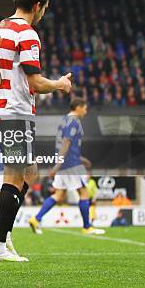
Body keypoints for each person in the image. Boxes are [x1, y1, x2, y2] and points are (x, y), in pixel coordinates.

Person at [0, 0, 72, 262]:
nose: (44, 13)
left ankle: (4, 230)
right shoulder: (27, 33)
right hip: (15, 111)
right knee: (14, 175)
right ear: (37, 5)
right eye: (44, 8)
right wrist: (59, 84)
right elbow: (35, 82)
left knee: (29, 172)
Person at [29, 98, 105, 235]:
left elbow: (67, 145)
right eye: (85, 108)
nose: (86, 111)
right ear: (78, 107)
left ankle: (36, 219)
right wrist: (58, 165)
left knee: (59, 194)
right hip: (71, 164)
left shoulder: (64, 120)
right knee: (84, 193)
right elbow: (66, 142)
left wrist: (80, 159)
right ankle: (87, 227)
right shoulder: (74, 121)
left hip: (67, 161)